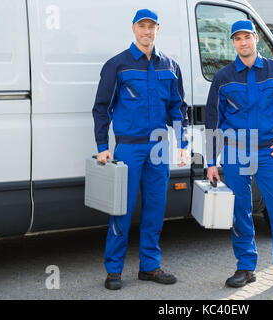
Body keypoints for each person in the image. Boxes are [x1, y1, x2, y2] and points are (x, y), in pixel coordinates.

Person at [205, 20, 273, 290]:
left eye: (247, 37)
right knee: (240, 212)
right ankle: (245, 268)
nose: (243, 42)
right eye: (237, 38)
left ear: (256, 38)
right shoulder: (224, 77)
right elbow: (212, 121)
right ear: (233, 43)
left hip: (267, 153)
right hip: (235, 152)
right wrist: (210, 161)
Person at [92, 9, 189, 290]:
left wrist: (182, 143)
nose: (147, 31)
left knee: (155, 208)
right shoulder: (117, 66)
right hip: (128, 148)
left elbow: (178, 108)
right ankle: (114, 270)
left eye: (152, 27)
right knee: (121, 208)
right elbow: (101, 109)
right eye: (142, 26)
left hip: (159, 147)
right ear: (134, 29)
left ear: (158, 29)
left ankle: (150, 267)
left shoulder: (170, 66)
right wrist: (102, 146)